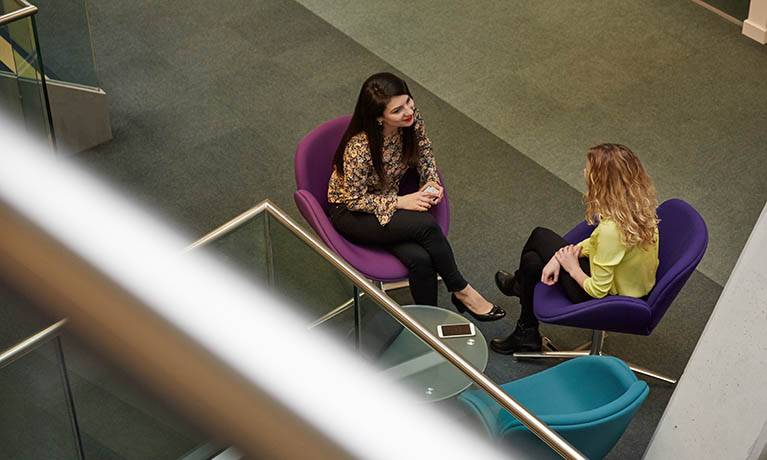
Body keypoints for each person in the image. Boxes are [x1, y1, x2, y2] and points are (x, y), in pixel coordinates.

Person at [327, 72, 504, 321]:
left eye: (409, 102)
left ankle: (427, 326)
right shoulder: (360, 147)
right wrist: (401, 202)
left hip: (386, 202)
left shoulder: (412, 120)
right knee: (426, 226)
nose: (408, 111)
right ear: (379, 117)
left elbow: (424, 152)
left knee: (420, 260)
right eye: (397, 110)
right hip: (353, 213)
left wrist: (430, 179)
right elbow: (353, 200)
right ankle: (462, 290)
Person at [490, 143, 659, 353]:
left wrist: (571, 267)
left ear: (600, 180)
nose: (584, 172)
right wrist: (557, 257)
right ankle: (526, 329)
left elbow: (598, 291)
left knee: (539, 236)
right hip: (628, 284)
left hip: (606, 298)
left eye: (589, 169)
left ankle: (519, 287)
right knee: (532, 262)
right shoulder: (638, 207)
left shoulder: (611, 231)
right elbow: (598, 244)